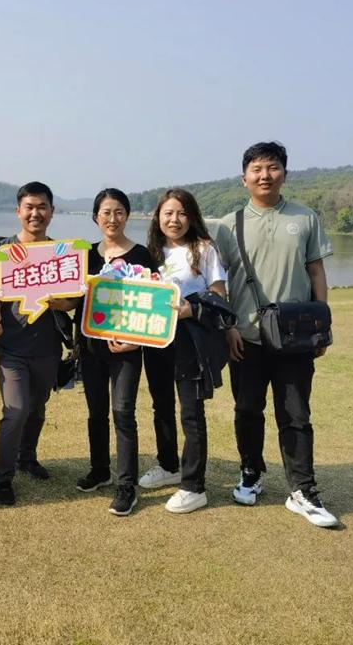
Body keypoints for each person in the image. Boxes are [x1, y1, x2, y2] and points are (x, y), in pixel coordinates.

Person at [214, 141, 338, 528]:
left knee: (296, 414)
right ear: (244, 178)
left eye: (272, 168)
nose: (264, 175)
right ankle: (251, 473)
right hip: (246, 338)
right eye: (256, 169)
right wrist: (228, 327)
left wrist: (322, 326)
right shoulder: (228, 225)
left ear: (284, 173)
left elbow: (316, 271)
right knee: (247, 410)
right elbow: (217, 283)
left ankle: (303, 489)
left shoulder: (305, 218)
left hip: (294, 339)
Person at [0, 181, 73, 505]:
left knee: (37, 406)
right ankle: (2, 478)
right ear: (18, 211)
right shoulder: (3, 250)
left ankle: (27, 458)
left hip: (48, 348)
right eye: (29, 207)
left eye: (42, 207)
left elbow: (74, 298)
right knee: (16, 410)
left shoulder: (62, 252)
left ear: (52, 211)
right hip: (12, 348)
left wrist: (63, 303)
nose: (36, 213)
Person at [73, 188, 158, 516]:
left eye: (119, 212)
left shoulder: (142, 255)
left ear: (127, 216)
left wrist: (137, 341)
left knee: (123, 412)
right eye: (106, 212)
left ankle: (127, 486)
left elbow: (152, 305)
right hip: (91, 346)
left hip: (127, 349)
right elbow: (73, 300)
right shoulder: (84, 255)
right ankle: (100, 470)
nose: (113, 218)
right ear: (96, 217)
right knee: (96, 411)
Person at [147, 188, 229, 513]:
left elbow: (219, 297)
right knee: (161, 406)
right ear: (158, 217)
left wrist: (191, 310)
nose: (174, 220)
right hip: (157, 338)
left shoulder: (204, 249)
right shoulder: (152, 253)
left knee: (191, 412)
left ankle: (194, 486)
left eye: (182, 213)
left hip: (191, 339)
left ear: (192, 217)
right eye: (168, 213)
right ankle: (169, 465)